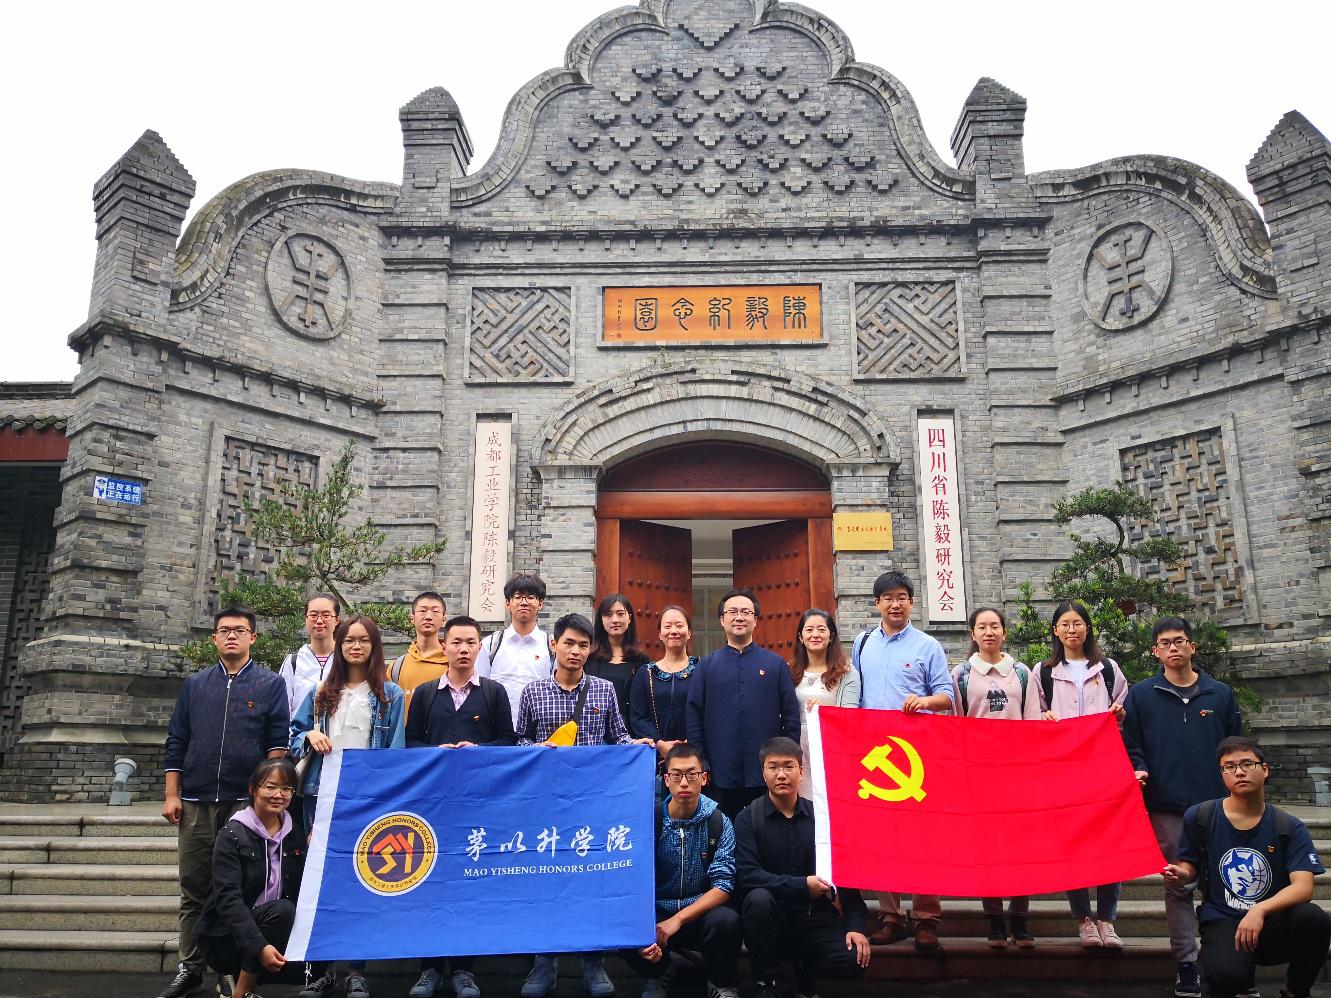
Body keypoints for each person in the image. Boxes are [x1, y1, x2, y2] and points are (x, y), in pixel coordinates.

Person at [516, 613, 655, 998]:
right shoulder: (533, 693)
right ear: (554, 645)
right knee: (546, 881)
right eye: (569, 643)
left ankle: (593, 962)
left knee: (590, 880)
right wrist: (538, 749)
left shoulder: (603, 690)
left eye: (582, 645)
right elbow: (519, 741)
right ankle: (544, 963)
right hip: (546, 806)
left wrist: (637, 746)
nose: (575, 651)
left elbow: (618, 736)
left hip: (591, 804)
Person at [160, 606, 289, 998]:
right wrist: (171, 793)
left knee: (240, 890)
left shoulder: (269, 684)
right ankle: (190, 966)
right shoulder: (195, 685)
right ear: (214, 638)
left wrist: (268, 796)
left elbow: (277, 746)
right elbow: (177, 739)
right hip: (196, 800)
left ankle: (230, 969)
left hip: (243, 806)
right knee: (193, 887)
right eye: (225, 630)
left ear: (253, 638)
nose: (232, 636)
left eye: (240, 630)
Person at [1123, 616, 1244, 997]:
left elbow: (1236, 747)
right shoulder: (1142, 695)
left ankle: (1228, 960)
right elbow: (1132, 744)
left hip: (1217, 807)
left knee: (1222, 882)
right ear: (1155, 651)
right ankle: (1187, 964)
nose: (1173, 648)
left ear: (1192, 646)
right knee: (1178, 885)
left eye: (1179, 641)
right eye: (1165, 643)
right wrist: (1140, 768)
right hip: (1167, 807)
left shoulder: (1219, 694)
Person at [290, 616, 406, 998]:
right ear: (339, 646)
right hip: (322, 796)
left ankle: (357, 970)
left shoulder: (390, 695)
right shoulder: (321, 692)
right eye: (349, 640)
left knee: (361, 883)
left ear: (375, 646)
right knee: (320, 882)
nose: (356, 646)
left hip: (368, 801)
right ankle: (320, 971)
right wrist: (310, 733)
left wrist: (385, 799)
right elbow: (293, 734)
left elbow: (395, 754)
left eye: (364, 640)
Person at [1164, 736, 1329, 998]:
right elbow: (1190, 863)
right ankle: (1237, 975)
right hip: (1224, 919)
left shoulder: (1288, 826)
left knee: (1314, 919)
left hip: (1272, 923)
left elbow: (1303, 888)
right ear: (1222, 775)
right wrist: (1182, 874)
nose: (1239, 772)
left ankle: (1297, 991)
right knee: (1226, 978)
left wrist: (1259, 910)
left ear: (1265, 769)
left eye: (1247, 764)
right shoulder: (1201, 817)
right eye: (1229, 767)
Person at [404, 614, 515, 998]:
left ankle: (466, 970)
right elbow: (411, 743)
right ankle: (429, 968)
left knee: (470, 887)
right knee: (432, 885)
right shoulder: (425, 694)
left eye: (470, 642)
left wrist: (478, 751)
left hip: (479, 806)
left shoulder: (494, 693)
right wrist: (436, 753)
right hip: (433, 807)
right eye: (456, 642)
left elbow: (509, 742)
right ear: (444, 646)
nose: (463, 649)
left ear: (479, 647)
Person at [851, 572, 951, 952]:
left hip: (917, 760)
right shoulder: (862, 644)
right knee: (883, 838)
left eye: (902, 597)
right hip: (876, 758)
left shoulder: (928, 646)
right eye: (888, 598)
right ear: (877, 603)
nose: (896, 604)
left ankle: (926, 918)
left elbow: (946, 696)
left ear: (911, 602)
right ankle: (891, 915)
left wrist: (924, 702)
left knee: (924, 839)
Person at [735, 737, 870, 998]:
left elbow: (843, 874)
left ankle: (804, 971)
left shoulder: (822, 818)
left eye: (788, 766)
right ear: (763, 772)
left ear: (801, 771)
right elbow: (748, 876)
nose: (781, 775)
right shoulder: (748, 818)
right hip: (771, 917)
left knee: (853, 960)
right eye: (773, 767)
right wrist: (801, 885)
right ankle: (765, 981)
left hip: (814, 915)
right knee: (757, 900)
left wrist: (856, 926)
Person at [1031, 600, 1129, 950]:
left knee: (1110, 845)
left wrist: (1119, 714)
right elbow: (1034, 715)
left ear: (1088, 628)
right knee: (1072, 845)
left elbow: (1125, 712)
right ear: (1055, 631)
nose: (1071, 630)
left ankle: (1108, 920)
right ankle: (1084, 920)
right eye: (1065, 624)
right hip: (1064, 772)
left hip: (1104, 769)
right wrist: (1043, 718)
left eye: (1078, 623)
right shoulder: (1043, 672)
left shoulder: (1108, 669)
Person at [949, 607, 1041, 949]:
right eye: (982, 627)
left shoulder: (1022, 673)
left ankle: (1020, 917)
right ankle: (995, 920)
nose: (989, 632)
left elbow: (1032, 723)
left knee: (1021, 848)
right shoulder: (961, 674)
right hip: (978, 775)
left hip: (1016, 774)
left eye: (995, 626)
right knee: (986, 848)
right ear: (972, 634)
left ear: (1004, 632)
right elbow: (955, 725)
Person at [621, 744, 741, 998]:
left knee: (726, 921)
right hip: (657, 910)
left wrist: (678, 919)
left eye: (692, 774)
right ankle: (656, 973)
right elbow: (632, 878)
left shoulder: (719, 823)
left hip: (699, 912)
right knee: (625, 923)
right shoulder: (649, 821)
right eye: (676, 775)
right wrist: (645, 926)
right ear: (666, 780)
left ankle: (719, 982)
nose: (684, 782)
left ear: (704, 778)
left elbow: (723, 886)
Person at [686, 588, 800, 819]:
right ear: (722, 619)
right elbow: (694, 715)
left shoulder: (775, 664)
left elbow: (790, 716)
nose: (739, 617)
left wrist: (786, 762)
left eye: (746, 612)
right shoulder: (706, 666)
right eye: (733, 612)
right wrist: (701, 761)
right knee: (722, 831)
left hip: (766, 773)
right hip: (719, 772)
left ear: (755, 620)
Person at [197, 758, 305, 998]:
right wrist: (260, 946)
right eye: (271, 786)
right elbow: (228, 900)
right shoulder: (232, 835)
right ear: (253, 789)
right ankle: (241, 991)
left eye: (286, 788)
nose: (278, 794)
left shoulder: (295, 834)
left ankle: (242, 982)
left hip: (274, 928)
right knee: (282, 911)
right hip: (226, 937)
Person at [788, 608, 859, 797]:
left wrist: (825, 712)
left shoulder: (847, 673)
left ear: (831, 636)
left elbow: (851, 717)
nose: (815, 635)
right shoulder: (788, 672)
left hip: (832, 747)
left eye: (821, 629)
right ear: (801, 637)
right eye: (809, 630)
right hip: (798, 749)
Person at [476, 573, 552, 718]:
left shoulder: (551, 646)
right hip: (498, 726)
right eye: (518, 597)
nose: (524, 602)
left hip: (538, 726)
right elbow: (479, 688)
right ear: (507, 603)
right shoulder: (490, 644)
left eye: (531, 597)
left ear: (540, 604)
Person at [630, 604, 697, 759]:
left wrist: (694, 739)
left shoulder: (702, 669)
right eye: (667, 626)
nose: (673, 631)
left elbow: (709, 711)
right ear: (660, 634)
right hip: (656, 755)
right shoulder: (645, 673)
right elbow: (638, 717)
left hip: (695, 754)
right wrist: (659, 744)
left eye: (679, 625)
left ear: (689, 632)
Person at [585, 593, 651, 734]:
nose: (615, 620)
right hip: (595, 733)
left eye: (620, 614)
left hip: (632, 734)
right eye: (608, 615)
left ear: (629, 618)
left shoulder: (641, 661)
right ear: (601, 620)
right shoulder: (589, 659)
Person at [277, 594, 340, 717]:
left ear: (336, 620)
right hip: (300, 729)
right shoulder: (293, 662)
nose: (319, 621)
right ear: (305, 619)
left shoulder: (345, 659)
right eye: (313, 615)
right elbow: (282, 709)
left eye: (326, 615)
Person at [389, 592, 448, 716]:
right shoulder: (396, 667)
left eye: (435, 611)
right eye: (422, 611)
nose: (428, 616)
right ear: (412, 618)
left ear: (444, 619)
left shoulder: (452, 664)